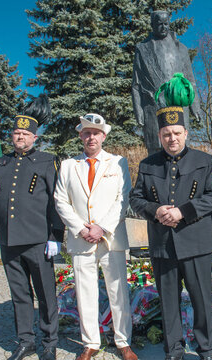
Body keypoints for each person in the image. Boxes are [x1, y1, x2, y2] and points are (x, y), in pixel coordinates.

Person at [129, 82, 212, 360]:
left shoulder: (204, 160)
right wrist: (156, 210)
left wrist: (184, 211)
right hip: (163, 246)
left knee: (202, 300)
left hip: (196, 243)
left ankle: (207, 349)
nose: (172, 138)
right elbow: (135, 199)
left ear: (186, 133)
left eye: (177, 133)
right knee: (168, 302)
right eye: (167, 134)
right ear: (160, 135)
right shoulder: (148, 165)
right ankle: (174, 350)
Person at [0, 95, 64, 360]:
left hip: (37, 241)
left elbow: (56, 201)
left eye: (25, 133)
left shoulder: (45, 161)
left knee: (46, 295)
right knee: (19, 294)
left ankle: (50, 342)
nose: (19, 137)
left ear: (34, 137)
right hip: (9, 242)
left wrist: (56, 236)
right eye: (16, 132)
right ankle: (25, 341)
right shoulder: (0, 164)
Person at [53, 113, 137, 360]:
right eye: (87, 133)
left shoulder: (118, 163)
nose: (91, 137)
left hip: (111, 238)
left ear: (104, 136)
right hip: (81, 240)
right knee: (84, 292)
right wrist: (81, 228)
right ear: (81, 135)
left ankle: (123, 342)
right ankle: (90, 343)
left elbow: (123, 199)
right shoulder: (69, 165)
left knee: (118, 291)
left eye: (96, 133)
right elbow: (60, 200)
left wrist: (102, 227)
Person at [132, 10, 200, 155]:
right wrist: (138, 111)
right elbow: (136, 84)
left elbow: (190, 80)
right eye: (159, 24)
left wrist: (196, 106)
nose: (163, 27)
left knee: (180, 147)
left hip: (179, 106)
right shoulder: (142, 49)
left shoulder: (181, 49)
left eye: (166, 24)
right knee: (155, 151)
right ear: (152, 25)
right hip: (153, 105)